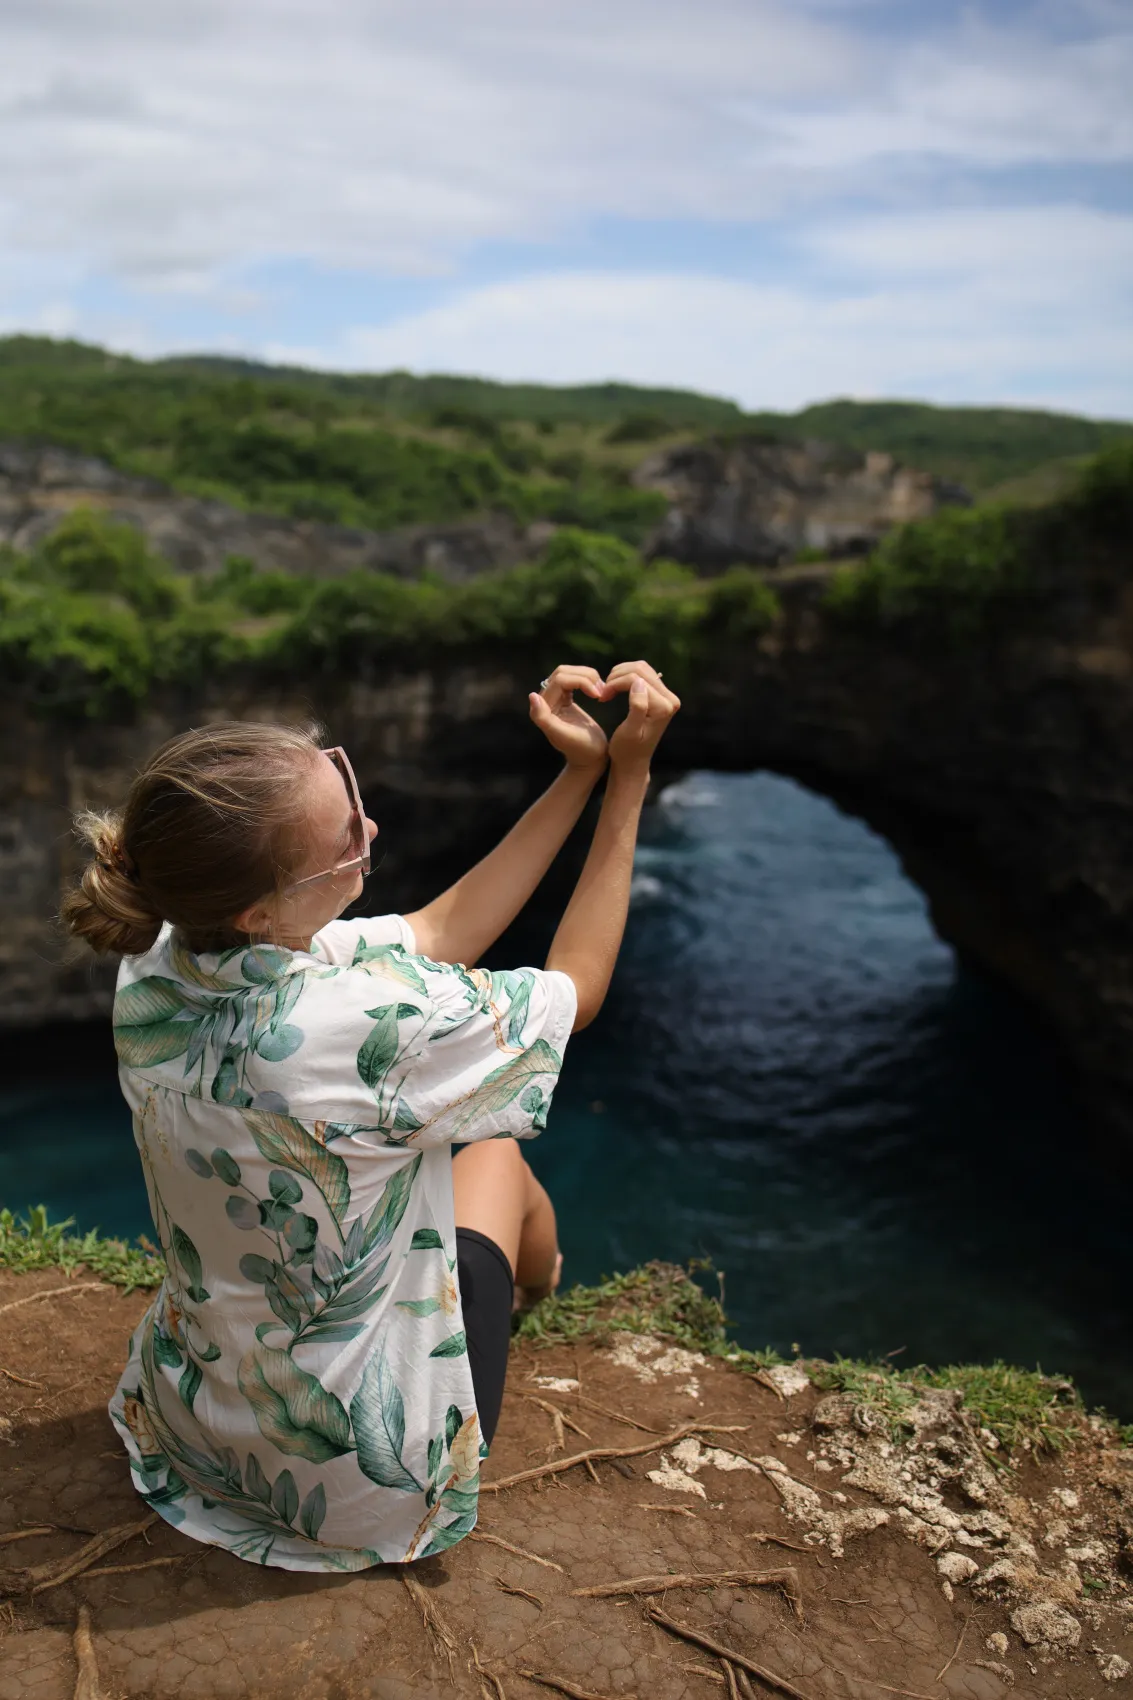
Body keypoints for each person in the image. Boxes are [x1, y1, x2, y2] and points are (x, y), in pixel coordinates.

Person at [61, 660, 679, 1570]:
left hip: (195, 1432)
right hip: (363, 1485)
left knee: (465, 1149)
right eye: (348, 836)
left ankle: (527, 1292)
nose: (371, 828)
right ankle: (537, 1293)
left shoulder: (156, 961)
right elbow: (575, 994)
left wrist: (576, 774)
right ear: (261, 909)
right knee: (496, 1150)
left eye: (347, 795)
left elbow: (438, 930)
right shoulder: (373, 1025)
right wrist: (628, 782)